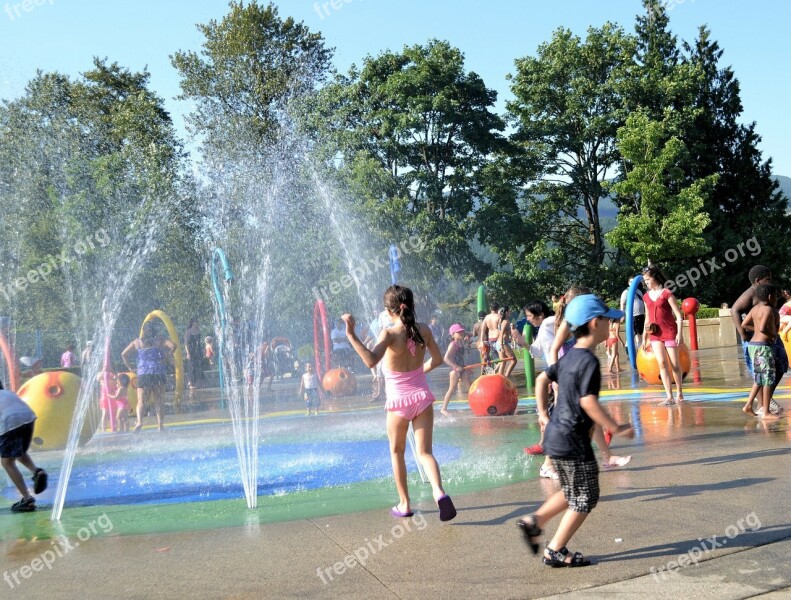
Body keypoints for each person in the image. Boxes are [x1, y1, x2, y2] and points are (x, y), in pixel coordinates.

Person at [516, 295, 634, 567]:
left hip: (557, 437)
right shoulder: (590, 362)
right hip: (573, 441)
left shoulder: (568, 358)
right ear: (595, 323)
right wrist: (615, 426)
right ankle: (555, 550)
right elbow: (587, 401)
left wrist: (543, 413)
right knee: (586, 497)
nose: (611, 323)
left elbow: (543, 377)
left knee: (572, 491)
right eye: (608, 318)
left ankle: (535, 521)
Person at [343, 285, 457, 521]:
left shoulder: (389, 334)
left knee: (397, 452)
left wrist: (351, 335)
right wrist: (419, 372)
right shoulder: (424, 330)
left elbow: (371, 361)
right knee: (425, 452)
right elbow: (437, 359)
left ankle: (405, 504)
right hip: (423, 397)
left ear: (389, 310)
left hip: (398, 403)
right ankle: (439, 493)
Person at [731, 266, 788, 412]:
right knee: (763, 373)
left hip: (770, 338)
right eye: (767, 279)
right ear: (757, 281)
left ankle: (767, 399)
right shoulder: (750, 294)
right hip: (759, 340)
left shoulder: (765, 293)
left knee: (781, 365)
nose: (770, 281)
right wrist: (743, 334)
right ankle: (763, 405)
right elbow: (734, 310)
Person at [0, 378, 48, 512]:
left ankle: (28, 499)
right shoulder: (7, 393)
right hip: (28, 418)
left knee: (7, 462)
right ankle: (37, 471)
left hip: (10, 421)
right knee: (17, 452)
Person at [642, 265, 685, 406]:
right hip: (655, 334)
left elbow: (678, 316)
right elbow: (647, 318)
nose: (646, 282)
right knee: (662, 363)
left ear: (655, 277)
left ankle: (679, 393)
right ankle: (669, 396)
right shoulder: (646, 297)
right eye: (644, 280)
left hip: (670, 332)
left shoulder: (666, 293)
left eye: (648, 279)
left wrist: (679, 333)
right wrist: (644, 337)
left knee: (675, 365)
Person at [121, 322, 176, 432]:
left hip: (144, 373)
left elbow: (123, 354)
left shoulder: (137, 342)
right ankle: (160, 426)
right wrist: (166, 357)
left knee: (141, 400)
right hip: (158, 371)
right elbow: (174, 346)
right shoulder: (160, 339)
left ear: (144, 331)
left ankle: (140, 422)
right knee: (159, 400)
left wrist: (130, 368)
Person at [741, 285, 781, 420]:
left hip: (753, 345)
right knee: (768, 378)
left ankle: (748, 405)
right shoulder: (769, 309)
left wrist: (756, 329)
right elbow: (764, 328)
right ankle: (766, 412)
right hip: (763, 347)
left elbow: (744, 325)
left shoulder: (755, 308)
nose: (776, 298)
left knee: (759, 378)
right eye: (776, 295)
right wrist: (773, 334)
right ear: (770, 297)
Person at [440, 324, 470, 417]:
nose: (461, 333)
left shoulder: (460, 343)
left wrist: (465, 367)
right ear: (453, 334)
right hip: (455, 370)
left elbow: (460, 357)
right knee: (451, 389)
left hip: (462, 368)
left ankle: (476, 405)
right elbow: (446, 358)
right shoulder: (453, 344)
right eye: (458, 332)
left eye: (462, 331)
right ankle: (443, 408)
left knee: (470, 388)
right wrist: (455, 366)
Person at [619, 276, 645, 350]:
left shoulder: (639, 291)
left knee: (639, 333)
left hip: (640, 315)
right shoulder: (626, 292)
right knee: (633, 334)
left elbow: (643, 301)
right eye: (631, 282)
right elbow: (622, 304)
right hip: (632, 316)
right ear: (628, 283)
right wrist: (622, 315)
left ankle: (639, 350)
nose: (632, 283)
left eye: (634, 281)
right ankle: (629, 350)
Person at [496, 306, 517, 377]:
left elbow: (503, 332)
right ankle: (506, 377)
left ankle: (500, 378)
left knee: (503, 362)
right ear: (506, 312)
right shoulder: (505, 321)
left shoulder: (500, 321)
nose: (510, 312)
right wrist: (502, 346)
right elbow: (501, 333)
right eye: (510, 311)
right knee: (514, 360)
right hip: (503, 343)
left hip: (498, 342)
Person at [184, 318, 203, 390]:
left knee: (198, 366)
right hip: (191, 351)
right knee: (191, 367)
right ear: (192, 323)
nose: (197, 323)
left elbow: (199, 342)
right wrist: (188, 353)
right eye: (196, 322)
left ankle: (198, 382)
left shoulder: (198, 331)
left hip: (197, 351)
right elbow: (186, 343)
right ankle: (190, 383)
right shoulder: (188, 332)